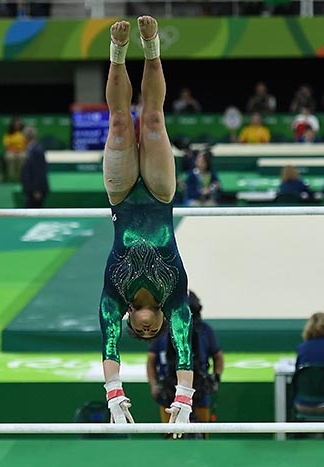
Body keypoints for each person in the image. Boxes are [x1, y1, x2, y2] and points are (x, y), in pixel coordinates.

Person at [99, 16, 195, 431]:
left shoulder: (113, 298)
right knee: (152, 118)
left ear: (130, 324)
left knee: (120, 122)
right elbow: (185, 347)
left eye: (142, 333)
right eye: (154, 331)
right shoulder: (174, 296)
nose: (150, 329)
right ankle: (151, 45)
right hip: (159, 196)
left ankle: (118, 53)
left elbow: (107, 347)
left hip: (121, 196)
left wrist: (114, 393)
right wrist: (184, 398)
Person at [147, 290, 224, 432]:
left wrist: (216, 377)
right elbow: (151, 360)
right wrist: (154, 384)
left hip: (199, 388)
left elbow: (218, 356)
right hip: (168, 388)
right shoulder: (161, 330)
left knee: (201, 433)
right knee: (170, 433)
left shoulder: (205, 330)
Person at [20, 126, 49, 208]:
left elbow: (40, 171)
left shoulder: (37, 150)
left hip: (36, 190)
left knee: (32, 213)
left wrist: (37, 190)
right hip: (31, 189)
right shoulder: (31, 149)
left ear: (26, 137)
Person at [3, 116, 28, 182]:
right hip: (11, 151)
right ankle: (11, 178)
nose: (17, 125)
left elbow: (27, 144)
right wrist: (14, 150)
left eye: (18, 124)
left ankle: (22, 177)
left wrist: (20, 150)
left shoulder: (24, 133)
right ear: (13, 125)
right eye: (15, 124)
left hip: (22, 151)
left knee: (22, 157)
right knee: (10, 157)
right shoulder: (8, 134)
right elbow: (7, 146)